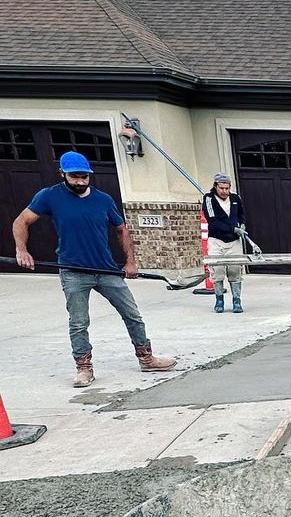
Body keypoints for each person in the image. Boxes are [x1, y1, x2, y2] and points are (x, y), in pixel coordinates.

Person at [11, 151, 176, 389]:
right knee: (79, 322)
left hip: (107, 270)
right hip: (73, 271)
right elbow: (21, 221)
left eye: (83, 177)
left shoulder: (103, 200)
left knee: (133, 315)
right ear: (63, 174)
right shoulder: (49, 196)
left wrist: (130, 261)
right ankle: (84, 367)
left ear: (89, 175)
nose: (79, 181)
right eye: (74, 177)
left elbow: (122, 230)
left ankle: (146, 358)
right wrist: (21, 250)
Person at [202, 173, 246, 314]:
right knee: (218, 271)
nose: (224, 191)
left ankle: (236, 301)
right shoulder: (208, 199)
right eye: (221, 188)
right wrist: (233, 228)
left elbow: (241, 214)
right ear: (215, 186)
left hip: (234, 240)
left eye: (227, 188)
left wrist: (243, 225)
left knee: (235, 270)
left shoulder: (235, 199)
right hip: (216, 240)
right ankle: (219, 299)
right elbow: (213, 222)